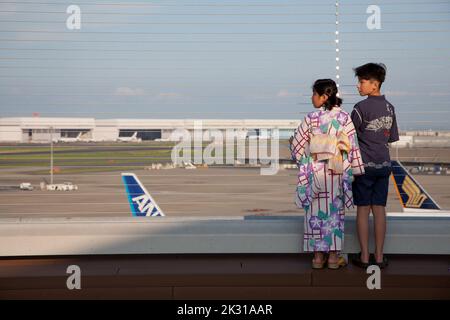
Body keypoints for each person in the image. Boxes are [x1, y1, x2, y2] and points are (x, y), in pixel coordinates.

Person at [290, 79, 365, 269]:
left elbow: (298, 147)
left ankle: (317, 258)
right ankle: (332, 258)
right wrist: (356, 169)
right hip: (336, 172)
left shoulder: (310, 118)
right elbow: (352, 146)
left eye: (314, 93)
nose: (312, 97)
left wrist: (306, 159)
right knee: (334, 213)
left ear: (324, 97)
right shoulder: (344, 118)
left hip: (315, 172)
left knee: (314, 212)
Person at [350, 63, 399, 269]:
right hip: (384, 164)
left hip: (364, 166)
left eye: (361, 82)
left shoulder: (360, 108)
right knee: (379, 209)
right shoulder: (390, 108)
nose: (358, 86)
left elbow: (349, 136)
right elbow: (392, 138)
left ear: (374, 84)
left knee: (363, 210)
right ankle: (379, 257)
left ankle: (364, 256)